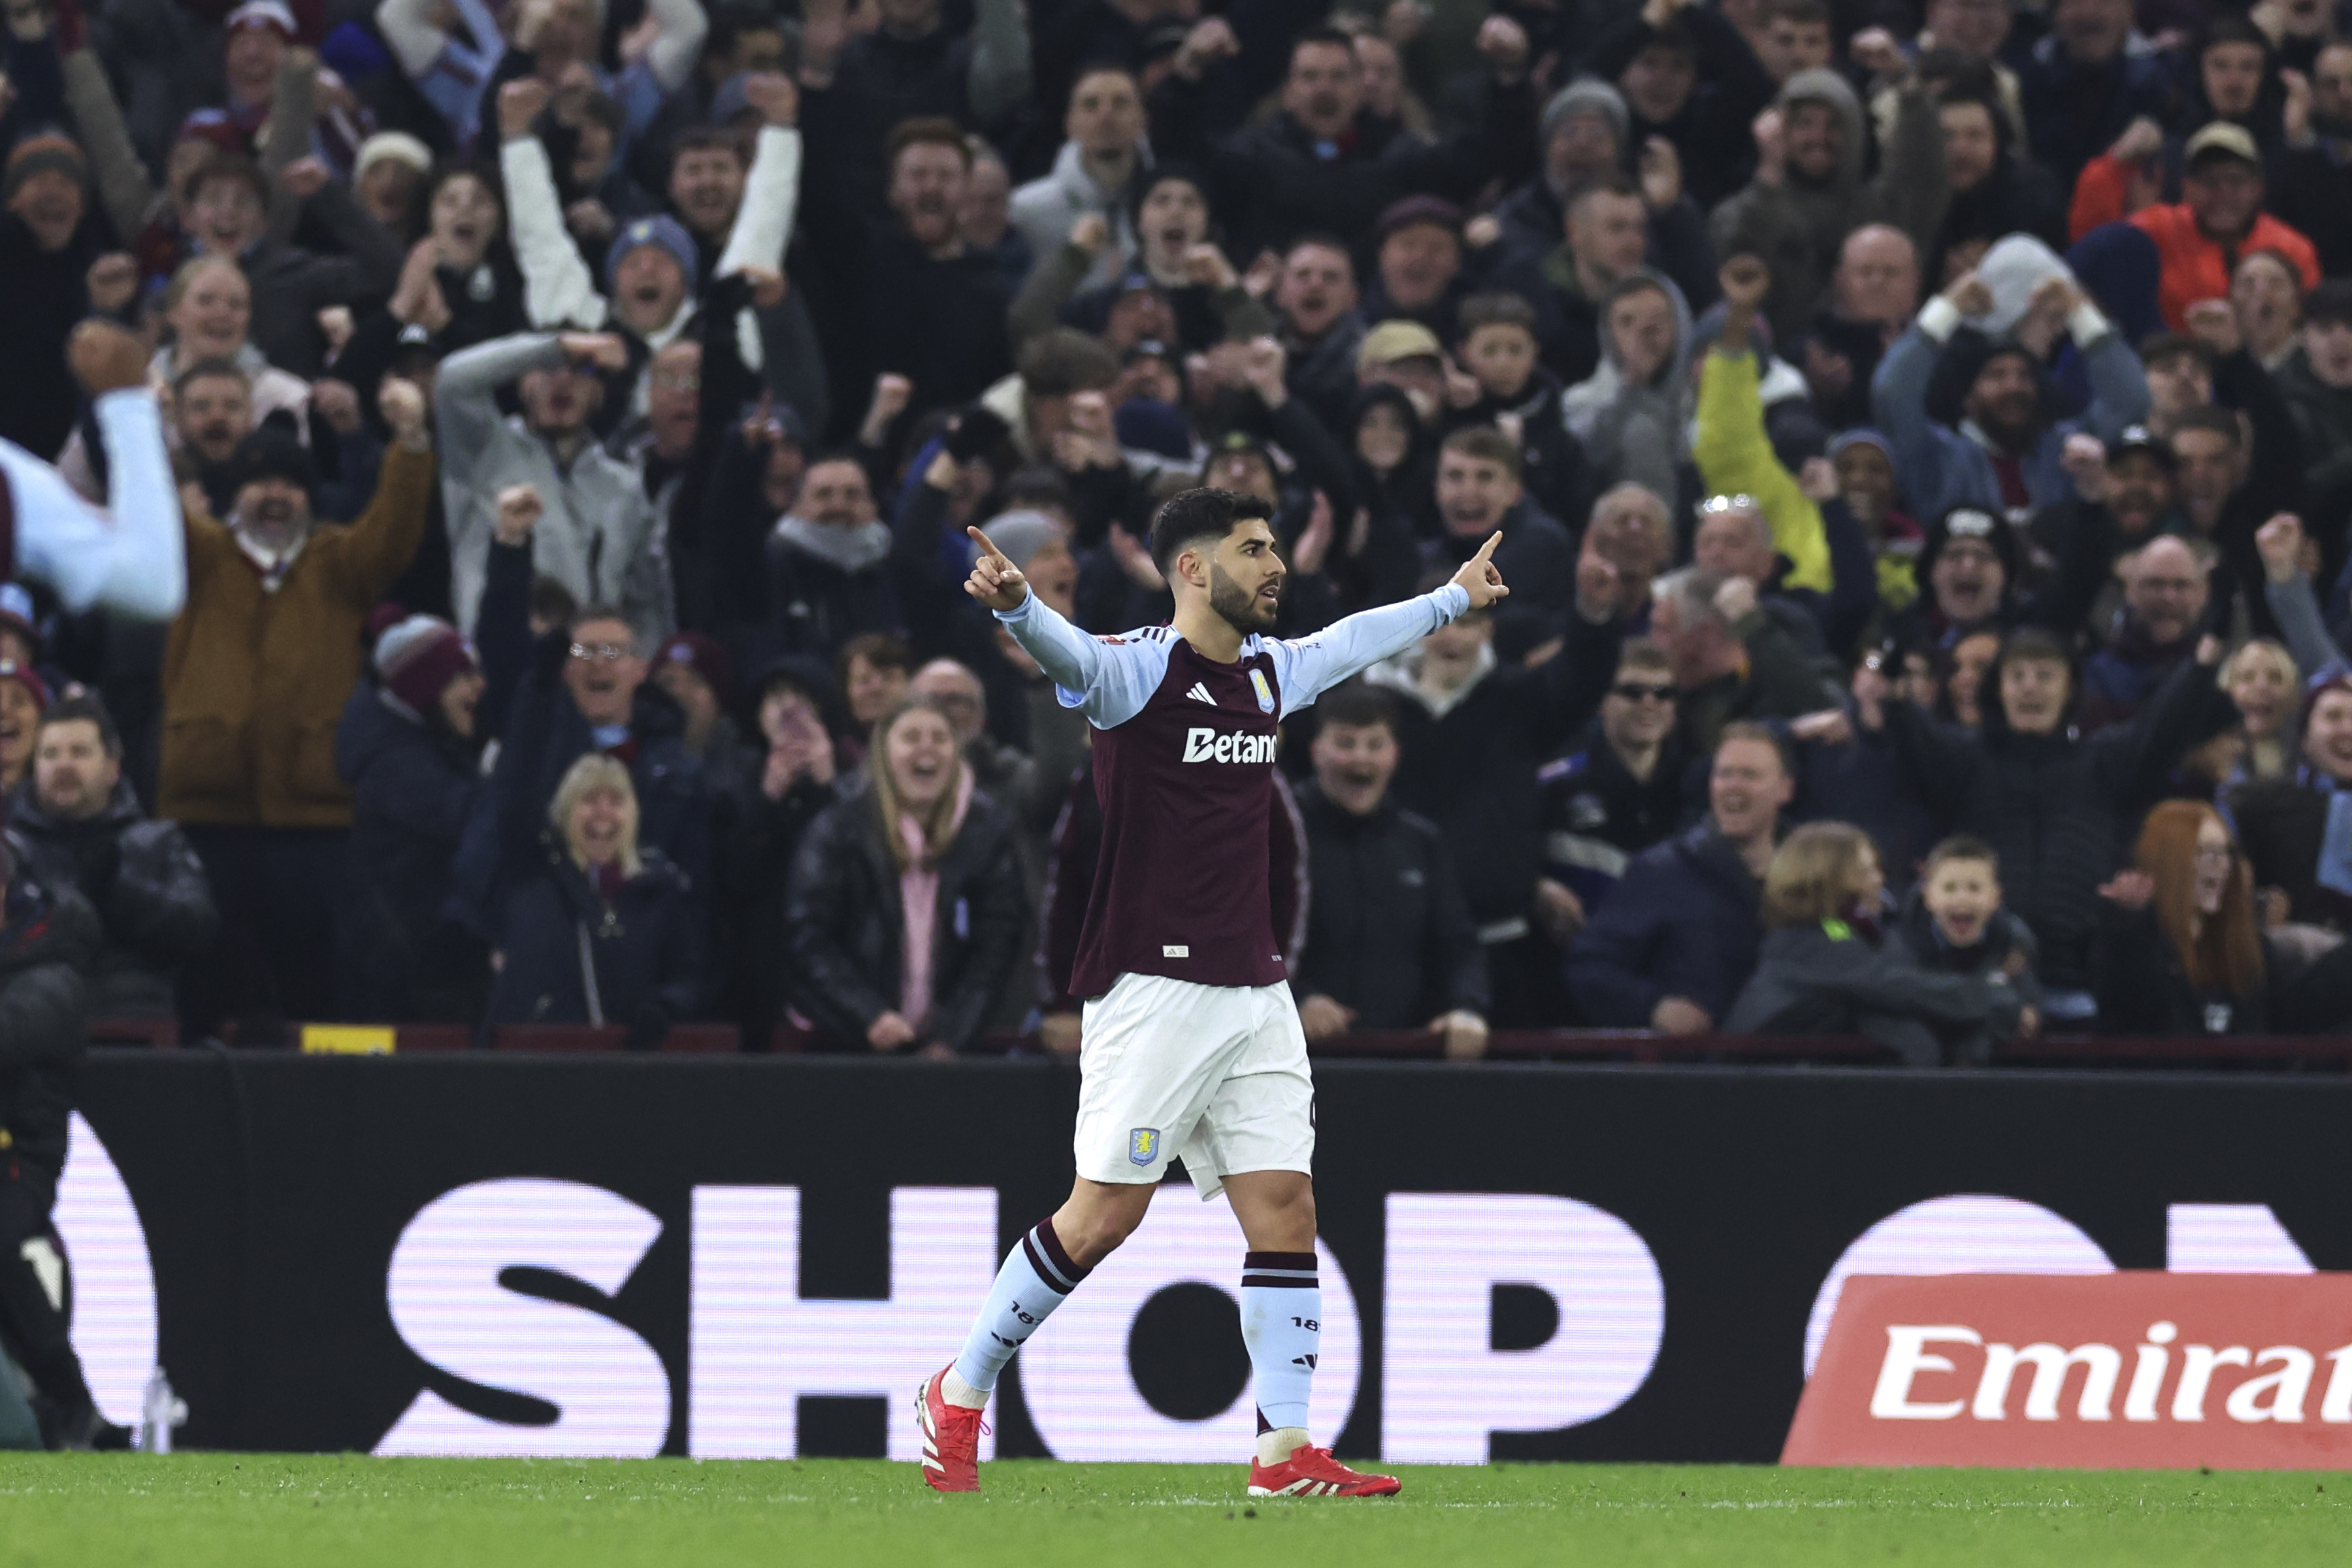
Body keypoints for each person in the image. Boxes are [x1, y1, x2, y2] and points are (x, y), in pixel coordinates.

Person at [921, 487, 1509, 1499]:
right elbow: (1070, 656)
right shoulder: (1138, 670)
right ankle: (960, 1388)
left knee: (1285, 1205)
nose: (1276, 564)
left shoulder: (1274, 673)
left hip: (1255, 989)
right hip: (1154, 988)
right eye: (1253, 548)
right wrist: (1019, 607)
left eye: (1275, 546)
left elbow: (1358, 639)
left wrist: (1451, 598)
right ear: (1193, 569)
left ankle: (1283, 1451)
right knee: (1102, 1217)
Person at [162, 381, 434, 1036]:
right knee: (206, 989)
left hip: (315, 819)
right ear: (238, 494)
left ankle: (323, 1128)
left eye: (292, 485)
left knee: (317, 987)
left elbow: (394, 534)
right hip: (208, 812)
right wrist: (153, 427)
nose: (277, 496)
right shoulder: (199, 556)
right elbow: (152, 512)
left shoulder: (337, 563)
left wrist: (412, 444)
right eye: (262, 484)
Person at [1859, 624, 2236, 1017]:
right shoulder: (1964, 760)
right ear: (1999, 689)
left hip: (2083, 978)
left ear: (2070, 688)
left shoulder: (2104, 761)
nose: (2030, 688)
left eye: (2045, 676)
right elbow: (1903, 723)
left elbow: (2163, 727)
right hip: (1981, 979)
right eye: (2017, 676)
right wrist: (1889, 657)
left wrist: (2202, 663)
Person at [781, 696, 1026, 1056]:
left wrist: (950, 1038)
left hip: (951, 1055)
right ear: (883, 754)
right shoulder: (837, 830)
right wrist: (870, 1016)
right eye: (911, 737)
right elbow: (808, 937)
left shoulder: (989, 835)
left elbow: (997, 948)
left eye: (939, 738)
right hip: (846, 1044)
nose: (927, 747)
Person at [1291, 681, 1489, 1059]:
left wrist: (1468, 1007)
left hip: (1399, 1065)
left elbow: (1459, 943)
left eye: (1374, 745)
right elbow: (1242, 939)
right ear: (1317, 751)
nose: (1360, 760)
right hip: (1291, 1058)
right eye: (1345, 744)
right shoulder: (1277, 833)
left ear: (1395, 755)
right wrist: (1298, 998)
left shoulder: (1421, 842)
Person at [1725, 821, 2023, 1064]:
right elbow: (1893, 986)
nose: (1879, 880)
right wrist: (1990, 995)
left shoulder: (1838, 930)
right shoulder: (1806, 940)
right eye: (1867, 870)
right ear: (1831, 877)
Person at [1565, 722, 1793, 1033]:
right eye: (1724, 774)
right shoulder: (1662, 873)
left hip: (1797, 1068)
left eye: (1750, 775)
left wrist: (1845, 923)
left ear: (1785, 789)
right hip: (1694, 1072)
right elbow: (1591, 966)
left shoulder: (1815, 874)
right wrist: (1653, 1007)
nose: (1733, 786)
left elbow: (1839, 934)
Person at [6, 694, 215, 1021]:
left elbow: (198, 928)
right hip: (27, 1031)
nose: (63, 764)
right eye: (50, 754)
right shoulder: (8, 849)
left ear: (113, 767)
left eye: (80, 752)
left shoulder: (158, 842)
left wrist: (120, 893)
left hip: (134, 1025)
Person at [0, 835, 108, 1446]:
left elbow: (11, 1033)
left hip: (18, 1157)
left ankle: (64, 1392)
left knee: (10, 1240)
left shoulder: (55, 970)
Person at [482, 753, 704, 1047]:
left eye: (615, 801)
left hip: (632, 1067)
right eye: (589, 800)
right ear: (564, 812)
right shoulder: (534, 878)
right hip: (542, 1059)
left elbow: (688, 978)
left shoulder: (660, 889)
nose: (604, 813)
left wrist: (662, 1011)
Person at [336, 613, 489, 1023]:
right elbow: (479, 824)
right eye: (463, 676)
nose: (480, 686)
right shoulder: (400, 770)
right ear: (425, 687)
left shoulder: (428, 752)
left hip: (416, 979)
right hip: (404, 991)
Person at [1534, 638, 1688, 937]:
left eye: (1663, 693)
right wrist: (1537, 888)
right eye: (1633, 692)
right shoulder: (1556, 785)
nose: (1649, 704)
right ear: (1601, 700)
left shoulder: (1694, 786)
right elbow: (1515, 864)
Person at [1892, 836, 2045, 1061]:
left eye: (1974, 888)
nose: (1962, 898)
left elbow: (2026, 1010)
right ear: (1928, 897)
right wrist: (1994, 997)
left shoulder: (2013, 942)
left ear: (1996, 897)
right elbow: (1908, 998)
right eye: (1950, 888)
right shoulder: (1902, 939)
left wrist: (2027, 1010)